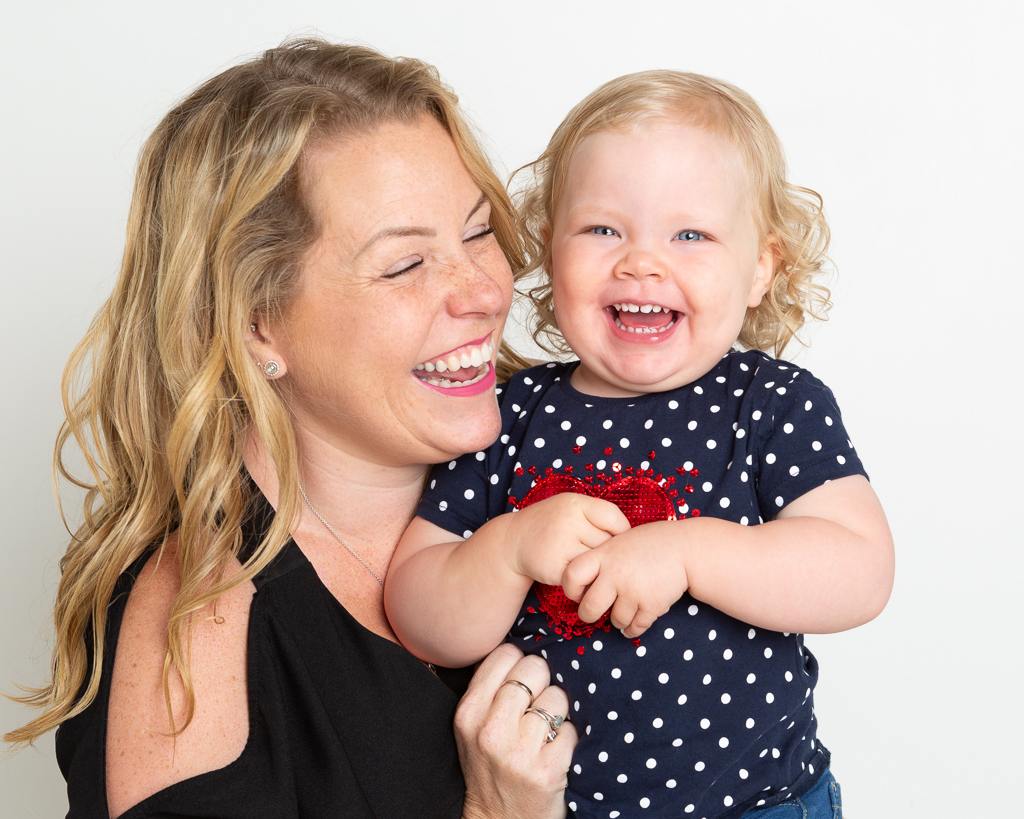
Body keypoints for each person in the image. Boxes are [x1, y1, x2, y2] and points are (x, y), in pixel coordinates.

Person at [3, 39, 578, 819]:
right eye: (405, 266)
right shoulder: (197, 618)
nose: (481, 290)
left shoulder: (561, 454)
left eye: (477, 233)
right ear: (257, 328)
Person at [385, 71, 895, 818]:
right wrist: (508, 548)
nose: (641, 262)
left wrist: (688, 552)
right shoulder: (509, 416)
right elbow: (417, 612)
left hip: (766, 803)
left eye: (690, 234)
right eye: (601, 229)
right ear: (550, 251)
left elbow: (860, 568)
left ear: (761, 268)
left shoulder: (769, 404)